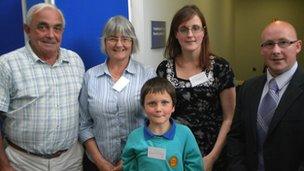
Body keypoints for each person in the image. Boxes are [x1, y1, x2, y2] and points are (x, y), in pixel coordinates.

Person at [0, 3, 85, 171]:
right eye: (42, 27)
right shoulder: (7, 64)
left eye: (57, 28)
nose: (51, 35)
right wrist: (3, 165)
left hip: (70, 160)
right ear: (27, 29)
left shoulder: (75, 61)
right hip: (23, 162)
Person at [156, 5, 235, 171]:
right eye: (183, 29)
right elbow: (161, 114)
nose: (190, 34)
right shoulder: (164, 69)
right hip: (176, 153)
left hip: (213, 155)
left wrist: (212, 158)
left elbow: (229, 118)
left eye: (195, 28)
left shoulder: (221, 67)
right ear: (176, 34)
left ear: (204, 32)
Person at [78, 15, 155, 171]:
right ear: (105, 42)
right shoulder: (90, 76)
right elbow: (84, 125)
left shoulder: (147, 75)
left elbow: (156, 120)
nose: (119, 44)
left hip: (138, 161)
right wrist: (100, 162)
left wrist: (129, 159)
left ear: (133, 43)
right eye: (112, 38)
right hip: (97, 164)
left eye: (125, 39)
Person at [226, 20, 304, 171]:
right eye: (269, 44)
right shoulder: (248, 88)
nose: (276, 50)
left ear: (298, 46)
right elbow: (236, 137)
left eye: (283, 42)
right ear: (262, 50)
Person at [122, 77, 203, 171]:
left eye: (164, 102)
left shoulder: (185, 134)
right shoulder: (135, 136)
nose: (158, 109)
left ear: (173, 106)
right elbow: (128, 163)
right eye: (152, 103)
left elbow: (195, 165)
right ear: (144, 108)